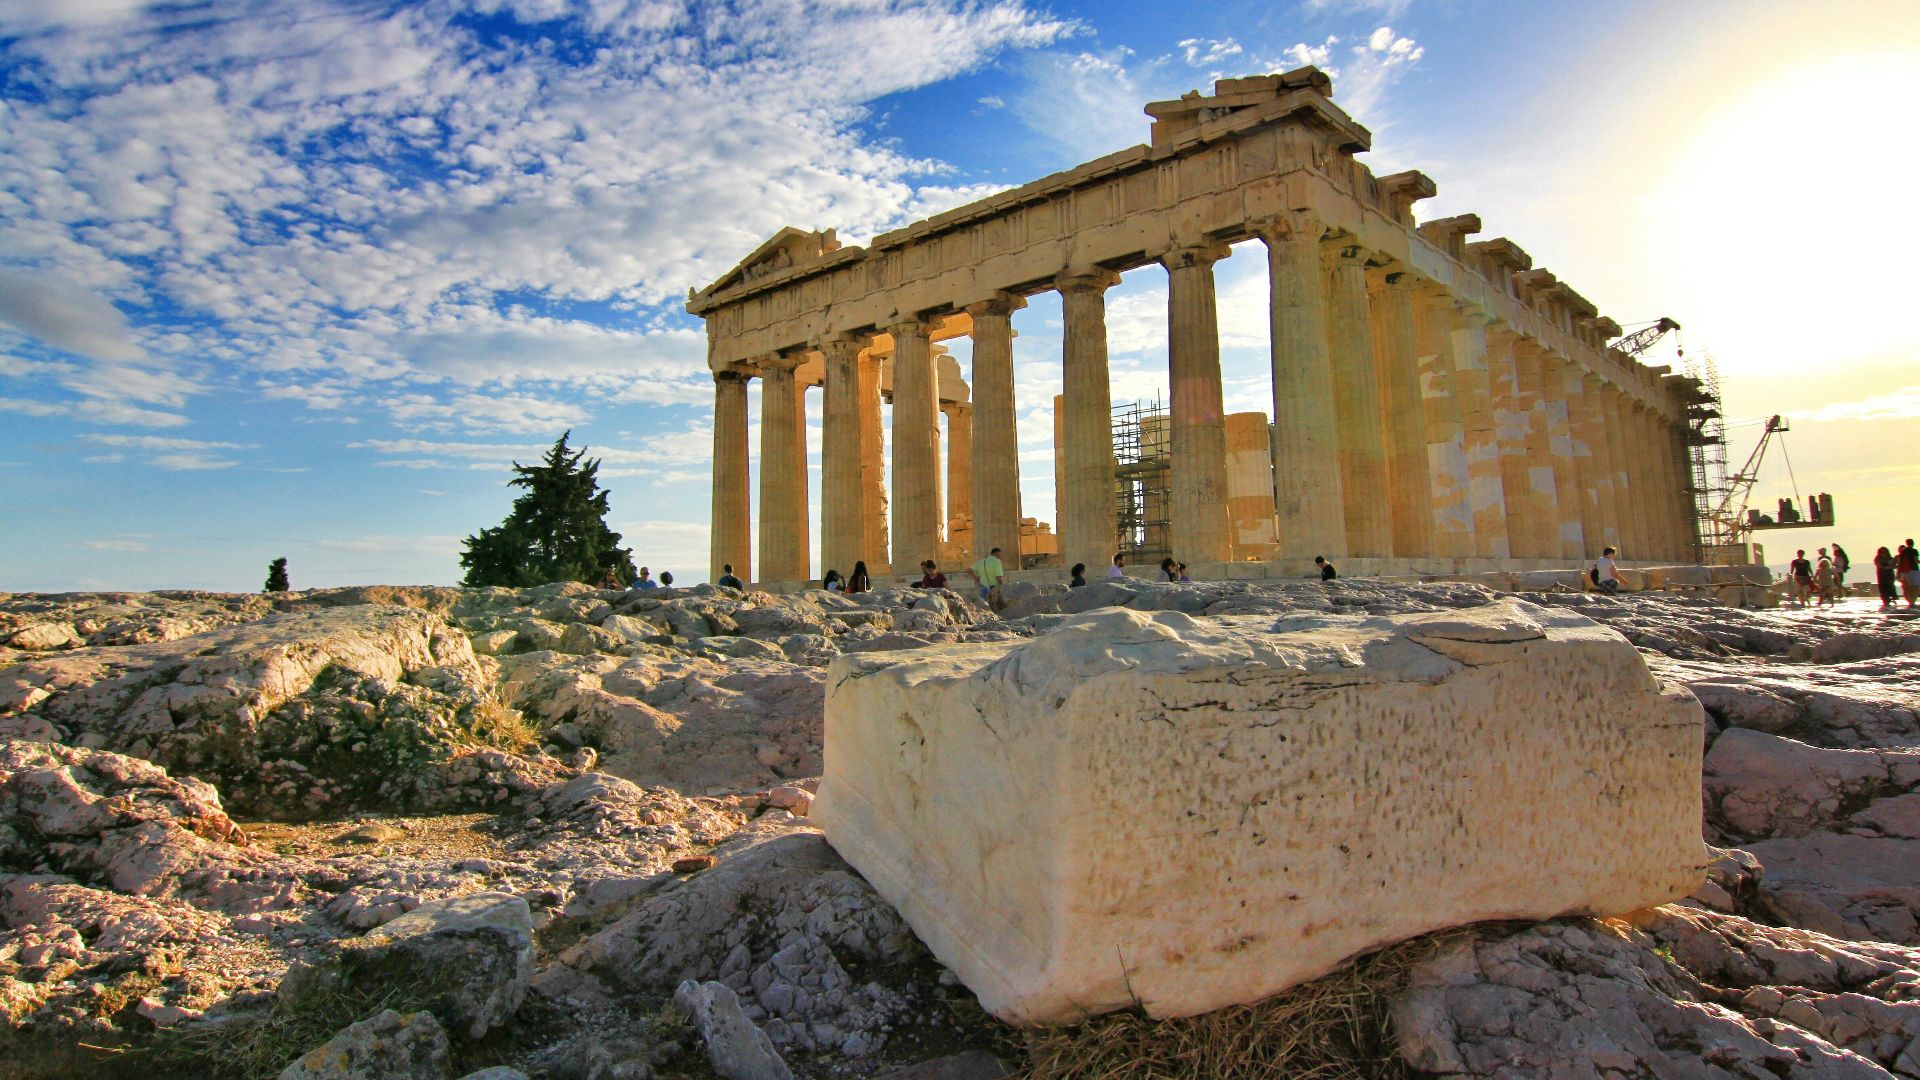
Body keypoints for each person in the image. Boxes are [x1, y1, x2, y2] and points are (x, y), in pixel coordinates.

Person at [1899, 540, 1920, 609]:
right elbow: (1916, 561)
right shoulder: (1914, 551)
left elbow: (1900, 562)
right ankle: (1912, 603)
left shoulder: (1902, 551)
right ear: (1913, 543)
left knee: (1907, 588)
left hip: (1904, 571)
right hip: (1914, 570)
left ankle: (1910, 602)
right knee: (1916, 587)